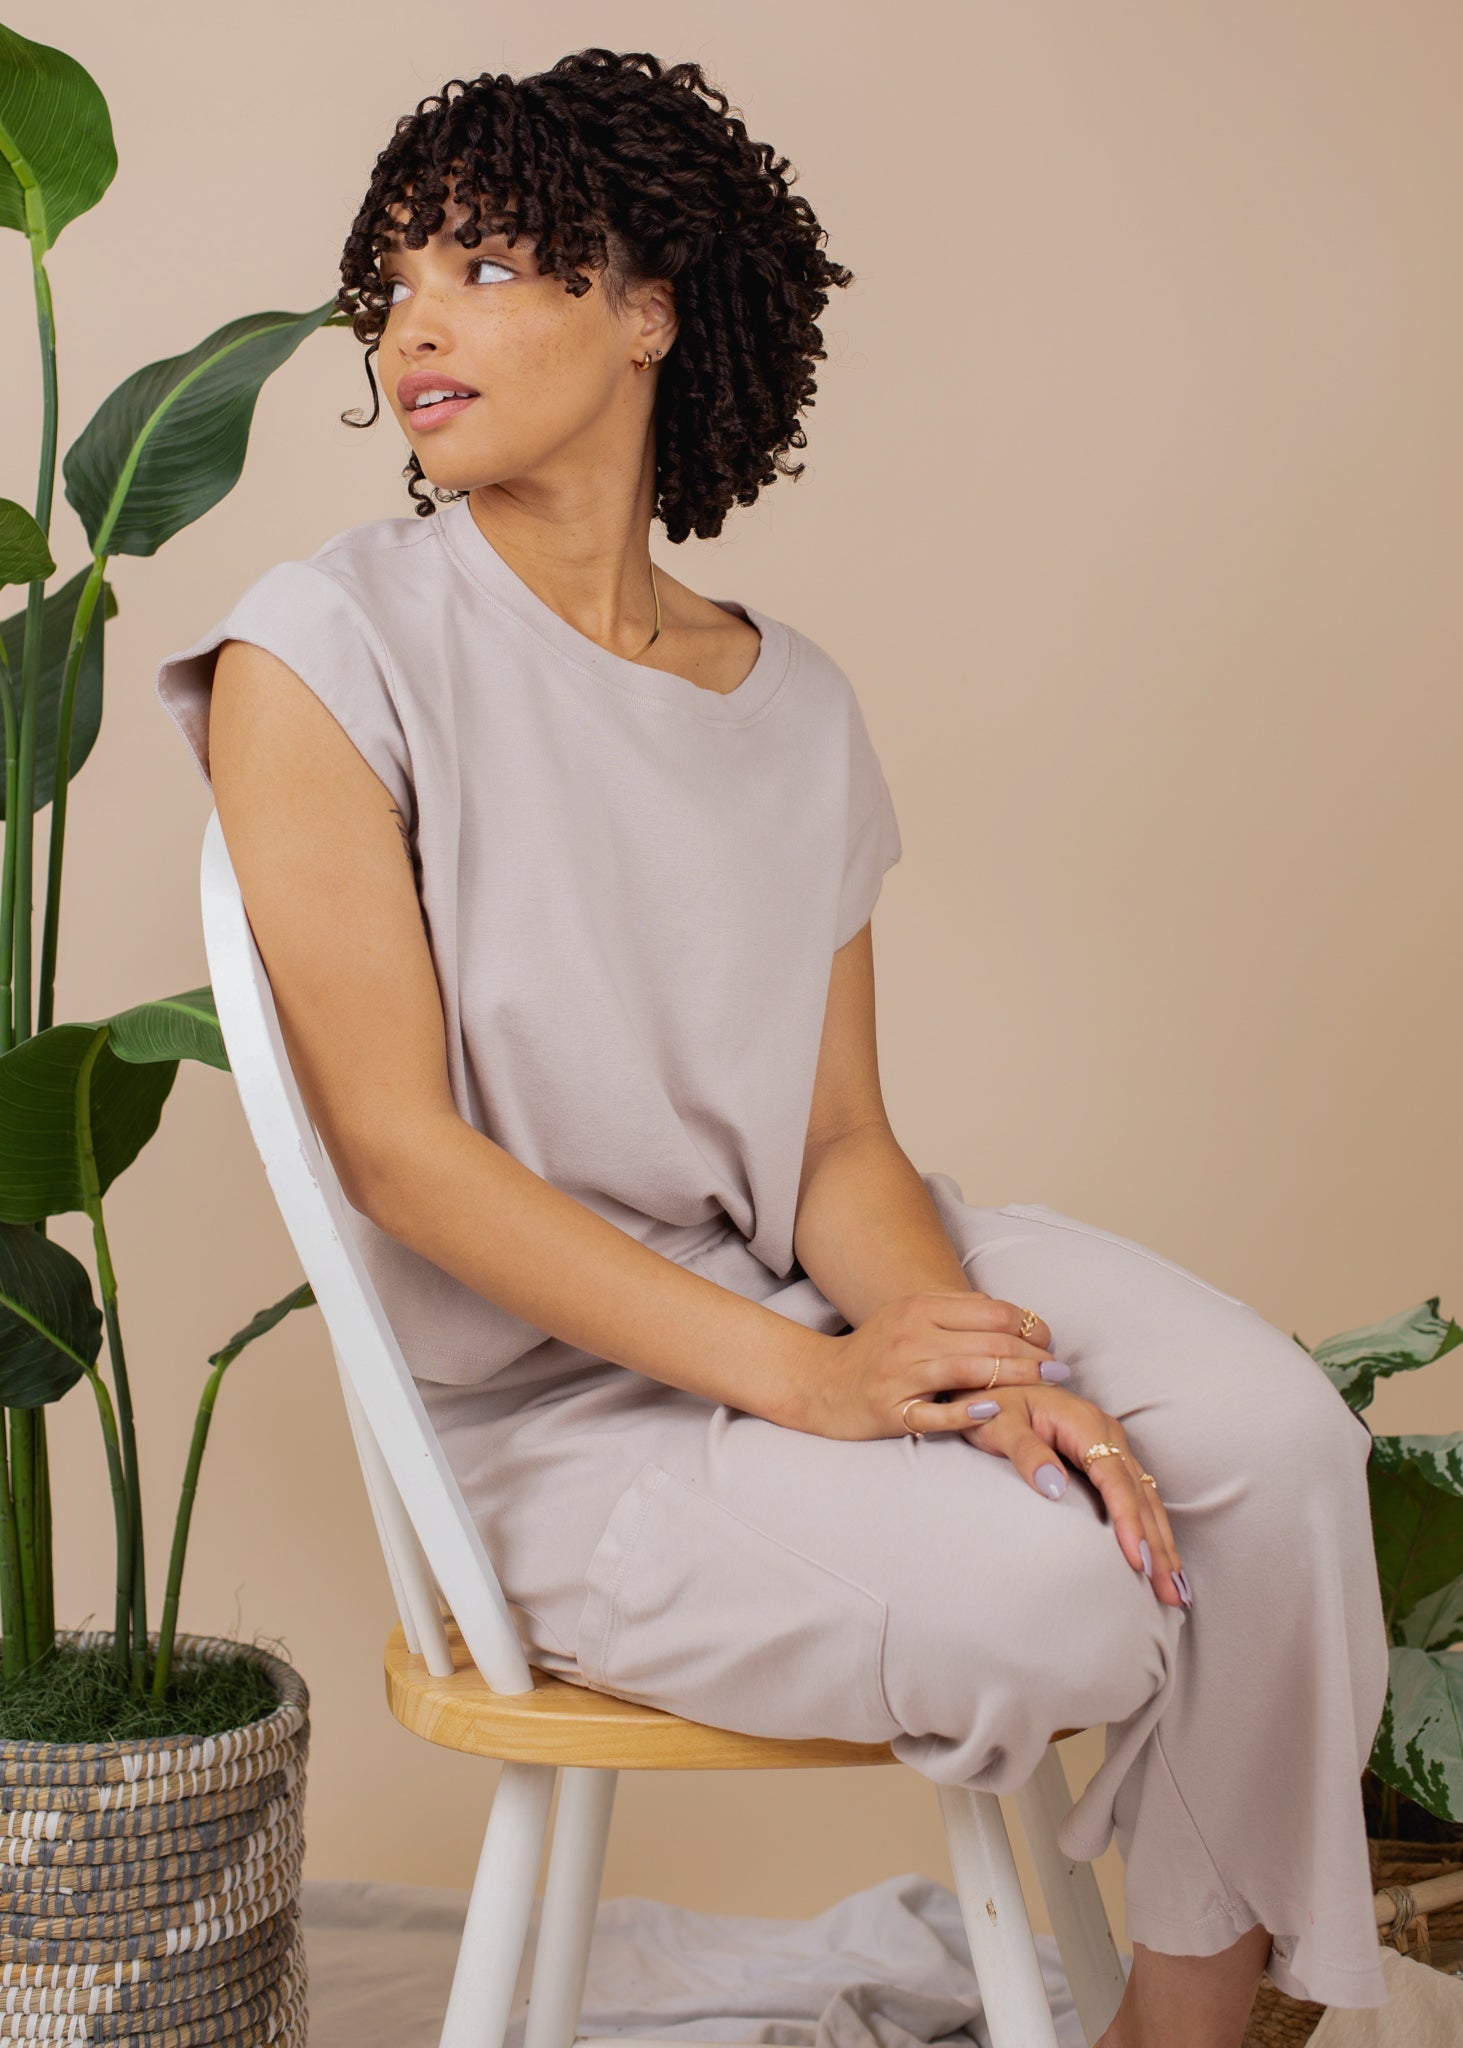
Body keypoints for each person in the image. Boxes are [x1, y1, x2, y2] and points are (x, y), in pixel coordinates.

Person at [155, 50, 1391, 2046]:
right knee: (1072, 1597)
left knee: (1279, 1446)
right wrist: (817, 1388)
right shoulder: (327, 647)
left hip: (804, 1283)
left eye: (482, 260)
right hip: (560, 1422)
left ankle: (1191, 2027)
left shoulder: (791, 700)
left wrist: (969, 1369)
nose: (419, 322)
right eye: (395, 282)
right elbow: (402, 1156)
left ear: (648, 305)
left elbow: (835, 1148)